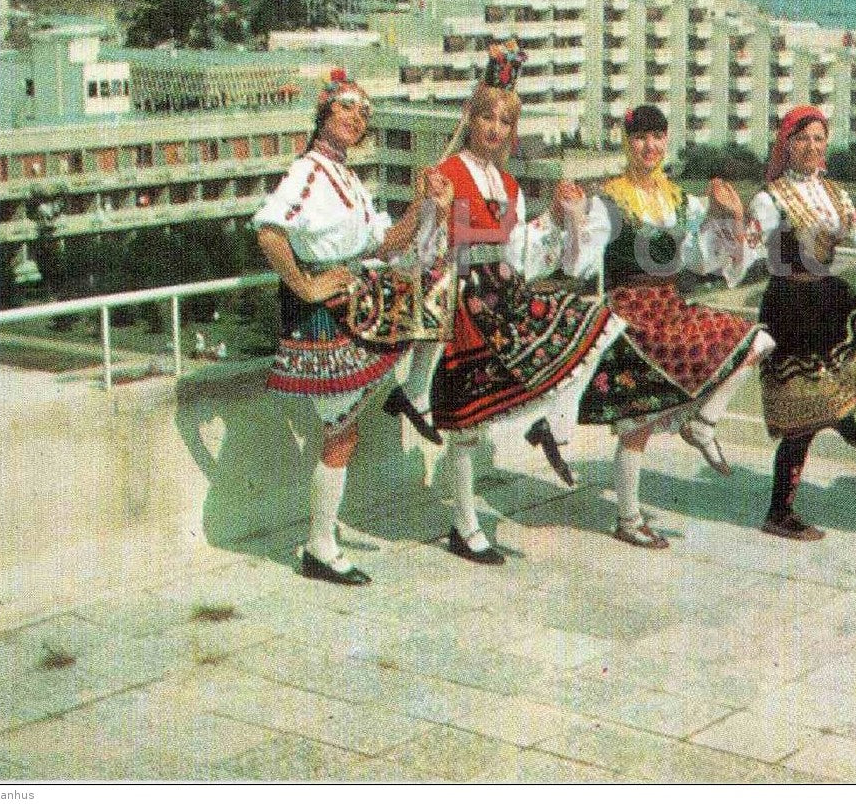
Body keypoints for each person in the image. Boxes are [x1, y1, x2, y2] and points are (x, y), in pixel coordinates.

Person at [427, 46, 627, 564]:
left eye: (505, 121)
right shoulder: (448, 171)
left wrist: (560, 218)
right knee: (468, 421)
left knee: (589, 324)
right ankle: (465, 522)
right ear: (470, 119)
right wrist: (440, 212)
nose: (495, 129)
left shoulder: (508, 183)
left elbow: (523, 252)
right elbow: (434, 244)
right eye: (487, 117)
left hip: (505, 289)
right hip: (468, 295)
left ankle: (540, 427)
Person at [254, 68, 452, 586]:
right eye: (347, 106)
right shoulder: (308, 172)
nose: (357, 116)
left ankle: (413, 392)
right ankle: (320, 546)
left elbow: (386, 244)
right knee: (340, 434)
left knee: (440, 288)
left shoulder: (347, 178)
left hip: (355, 299)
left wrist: (424, 205)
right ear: (323, 114)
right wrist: (305, 286)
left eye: (364, 111)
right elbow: (269, 230)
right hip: (325, 312)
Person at [577, 104, 775, 548]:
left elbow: (701, 260)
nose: (650, 146)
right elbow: (581, 261)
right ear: (626, 143)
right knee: (638, 423)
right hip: (630, 313)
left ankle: (703, 421)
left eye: (657, 137)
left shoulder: (678, 199)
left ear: (667, 141)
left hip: (669, 306)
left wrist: (727, 216)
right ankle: (628, 518)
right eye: (641, 138)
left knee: (757, 340)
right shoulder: (608, 200)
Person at [747, 105, 856, 541]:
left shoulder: (835, 194)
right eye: (804, 138)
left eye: (820, 139)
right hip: (789, 303)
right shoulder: (771, 197)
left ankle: (843, 409)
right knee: (800, 416)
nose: (813, 146)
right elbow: (746, 248)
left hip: (827, 296)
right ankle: (779, 512)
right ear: (787, 144)